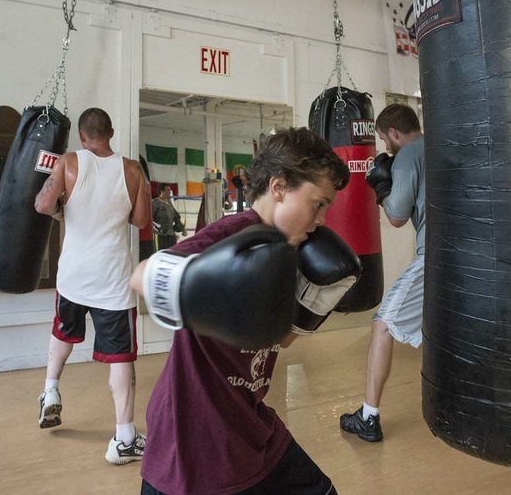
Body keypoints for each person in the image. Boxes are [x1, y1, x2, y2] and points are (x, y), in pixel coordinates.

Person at [130, 127, 351, 494]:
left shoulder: (289, 249)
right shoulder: (234, 234)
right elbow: (141, 277)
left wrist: (315, 303)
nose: (321, 219)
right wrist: (209, 286)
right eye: (318, 203)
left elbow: (274, 338)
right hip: (195, 433)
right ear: (279, 188)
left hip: (249, 421)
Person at [34, 107, 152, 464]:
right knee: (120, 358)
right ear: (111, 132)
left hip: (72, 275)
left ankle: (50, 391)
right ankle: (124, 438)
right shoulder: (132, 170)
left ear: (82, 137)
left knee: (63, 330)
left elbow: (42, 205)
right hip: (112, 280)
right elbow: (142, 221)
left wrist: (62, 210)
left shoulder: (68, 162)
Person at [339, 103, 425, 442]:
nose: (384, 146)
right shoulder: (438, 147)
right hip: (465, 256)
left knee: (382, 325)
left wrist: (381, 187)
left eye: (383, 138)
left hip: (434, 255)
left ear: (393, 133)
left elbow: (397, 217)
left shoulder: (406, 156)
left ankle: (368, 417)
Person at [152, 183, 186, 250]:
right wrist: (156, 230)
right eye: (167, 190)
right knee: (161, 254)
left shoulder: (169, 203)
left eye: (170, 190)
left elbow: (176, 217)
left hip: (171, 235)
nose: (169, 192)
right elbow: (150, 219)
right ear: (162, 191)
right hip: (160, 235)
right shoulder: (155, 203)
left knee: (172, 253)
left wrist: (182, 229)